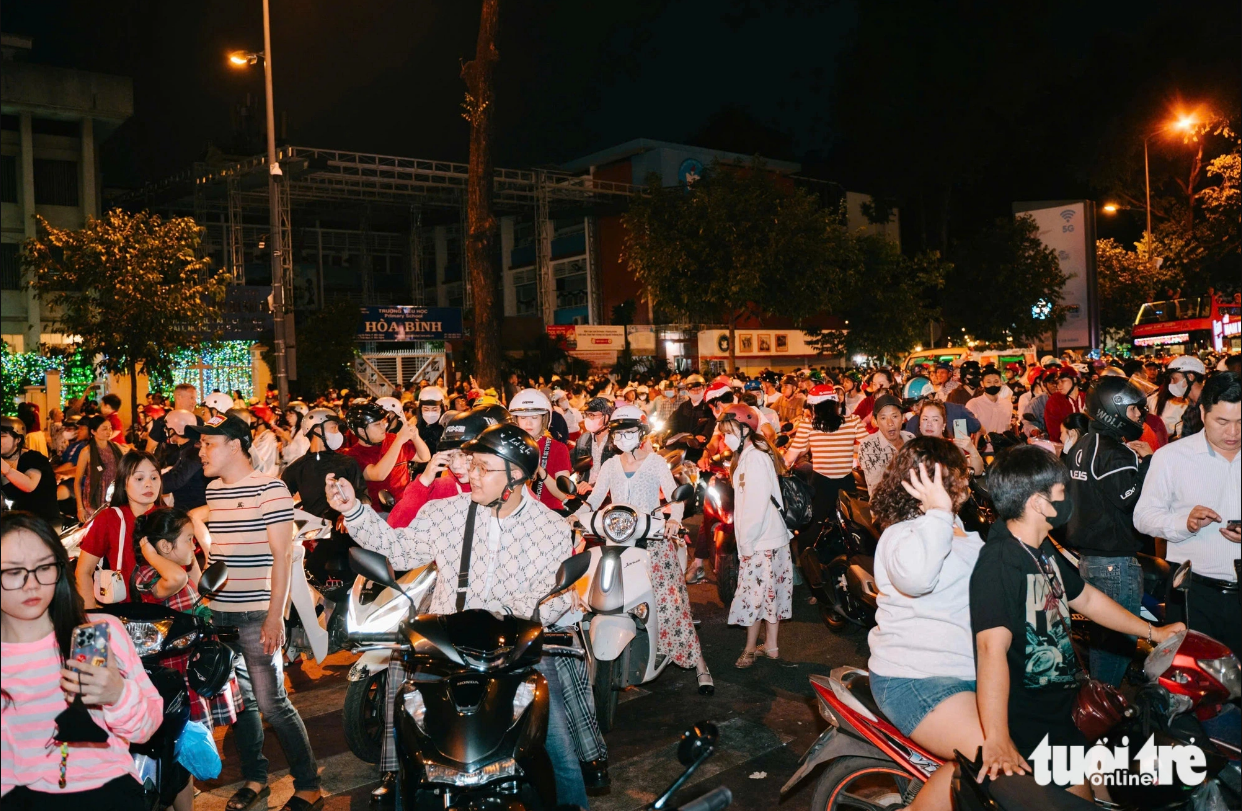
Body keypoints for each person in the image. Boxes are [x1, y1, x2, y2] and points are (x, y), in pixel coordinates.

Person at [328, 423, 590, 809]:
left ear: (515, 476)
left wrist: (518, 615)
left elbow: (551, 596)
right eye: (472, 464)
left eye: (484, 467)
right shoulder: (444, 512)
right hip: (447, 652)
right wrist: (353, 509)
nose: (471, 473)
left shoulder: (550, 528)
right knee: (412, 751)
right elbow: (396, 551)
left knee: (558, 749)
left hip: (515, 653)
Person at [970, 446, 1183, 800]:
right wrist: (997, 738)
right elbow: (990, 649)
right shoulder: (1000, 562)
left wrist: (1153, 632)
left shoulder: (1038, 547)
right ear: (1038, 503)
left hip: (1062, 707)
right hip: (1034, 720)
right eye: (1062, 492)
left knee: (1104, 791)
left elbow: (1086, 597)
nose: (1069, 499)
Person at [188, 415, 321, 811]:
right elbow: (207, 526)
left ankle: (309, 783)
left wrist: (275, 615)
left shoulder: (271, 489)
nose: (201, 450)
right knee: (240, 705)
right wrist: (209, 546)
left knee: (272, 703)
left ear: (235, 445)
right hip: (220, 616)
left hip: (256, 614)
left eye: (208, 443)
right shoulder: (214, 492)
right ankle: (256, 777)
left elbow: (281, 555)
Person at [1, 512, 163, 808]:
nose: (32, 584)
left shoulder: (95, 634)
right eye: (13, 572)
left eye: (44, 567)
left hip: (107, 791)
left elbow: (147, 728)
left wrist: (118, 694)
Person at [866, 438, 984, 811]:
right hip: (919, 679)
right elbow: (919, 578)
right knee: (993, 760)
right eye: (957, 476)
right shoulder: (902, 535)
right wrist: (938, 513)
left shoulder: (963, 531)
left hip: (976, 673)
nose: (965, 483)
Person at [574, 406, 714, 693]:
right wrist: (577, 515)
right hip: (615, 538)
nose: (624, 437)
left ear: (641, 434)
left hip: (651, 537)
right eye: (618, 433)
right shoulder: (611, 465)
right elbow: (596, 498)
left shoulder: (656, 462)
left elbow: (675, 497)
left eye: (629, 432)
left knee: (671, 602)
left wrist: (674, 520)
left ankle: (699, 664)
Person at [131, 507, 242, 811]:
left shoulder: (177, 565)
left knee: (184, 750)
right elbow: (178, 578)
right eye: (188, 540)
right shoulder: (149, 574)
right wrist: (151, 553)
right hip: (170, 673)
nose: (194, 547)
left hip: (189, 664)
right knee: (170, 750)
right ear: (164, 547)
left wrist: (175, 554)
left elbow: (192, 578)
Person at [1133, 371, 1240, 658]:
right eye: (1223, 421)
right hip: (1196, 595)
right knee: (1196, 688)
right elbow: (1143, 517)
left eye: (1241, 422)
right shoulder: (1171, 458)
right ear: (1203, 412)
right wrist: (1184, 522)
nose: (1233, 433)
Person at [1064, 376, 1152, 686]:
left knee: (1104, 643)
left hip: (1090, 560)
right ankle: (1104, 717)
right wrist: (1148, 463)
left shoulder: (1081, 444)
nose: (1140, 416)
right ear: (1111, 411)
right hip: (1115, 563)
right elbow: (1129, 499)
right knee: (1116, 647)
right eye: (1134, 410)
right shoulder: (1116, 451)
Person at [718, 405, 793, 668]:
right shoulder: (751, 455)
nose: (724, 437)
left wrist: (746, 544)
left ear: (745, 429)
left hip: (762, 541)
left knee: (755, 596)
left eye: (728, 432)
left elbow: (756, 505)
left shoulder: (755, 458)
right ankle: (771, 647)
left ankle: (750, 650)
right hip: (769, 538)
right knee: (770, 594)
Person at [74, 450, 163, 609]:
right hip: (125, 613)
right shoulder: (108, 518)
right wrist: (90, 617)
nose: (149, 484)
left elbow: (189, 570)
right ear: (123, 483)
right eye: (139, 478)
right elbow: (83, 572)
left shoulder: (171, 517)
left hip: (170, 611)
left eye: (154, 477)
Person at [783, 385, 866, 547]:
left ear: (813, 407)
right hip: (846, 483)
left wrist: (778, 470)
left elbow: (790, 456)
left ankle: (805, 565)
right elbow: (869, 446)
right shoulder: (853, 422)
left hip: (821, 484)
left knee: (812, 526)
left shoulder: (808, 425)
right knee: (851, 527)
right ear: (835, 404)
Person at [343, 402, 427, 505]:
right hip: (379, 511)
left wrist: (415, 437)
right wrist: (399, 440)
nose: (383, 426)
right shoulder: (353, 455)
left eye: (383, 421)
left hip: (406, 502)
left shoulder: (392, 439)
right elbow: (379, 474)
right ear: (360, 430)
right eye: (377, 424)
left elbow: (424, 457)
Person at [509, 389, 575, 510]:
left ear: (544, 419)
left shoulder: (558, 448)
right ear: (515, 420)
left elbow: (563, 495)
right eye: (523, 418)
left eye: (534, 417)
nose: (528, 423)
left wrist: (540, 470)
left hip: (549, 512)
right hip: (514, 512)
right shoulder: (508, 446)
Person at [2, 417, 61, 525]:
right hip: (13, 522)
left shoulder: (34, 458)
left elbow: (29, 485)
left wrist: (4, 467)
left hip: (42, 523)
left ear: (18, 439)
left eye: (2, 436)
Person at [858, 395, 915, 497]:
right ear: (875, 421)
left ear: (903, 418)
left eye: (894, 416)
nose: (890, 423)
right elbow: (878, 488)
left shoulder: (911, 439)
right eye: (883, 418)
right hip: (885, 506)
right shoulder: (869, 445)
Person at [74, 416, 124, 523]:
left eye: (110, 428)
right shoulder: (86, 451)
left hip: (114, 497)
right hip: (94, 499)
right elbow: (77, 481)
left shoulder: (116, 448)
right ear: (93, 431)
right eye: (104, 429)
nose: (108, 432)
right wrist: (80, 508)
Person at [915, 399, 984, 476]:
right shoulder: (913, 448)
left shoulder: (954, 447)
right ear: (919, 424)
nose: (929, 424)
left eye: (935, 420)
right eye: (925, 419)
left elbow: (977, 472)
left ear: (944, 425)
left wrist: (972, 450)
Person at [1148, 355, 1206, 440]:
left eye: (1174, 379)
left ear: (1190, 377)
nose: (1171, 383)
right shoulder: (1190, 408)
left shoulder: (1211, 404)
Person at [570, 397, 617, 490]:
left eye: (592, 415)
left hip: (608, 495)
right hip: (582, 493)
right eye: (587, 415)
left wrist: (593, 487)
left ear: (606, 417)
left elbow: (618, 476)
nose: (588, 419)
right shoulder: (584, 438)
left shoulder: (617, 442)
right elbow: (571, 462)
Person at [965, 366, 1014, 440]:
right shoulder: (973, 404)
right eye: (989, 382)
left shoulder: (1007, 404)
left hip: (1004, 448)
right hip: (982, 450)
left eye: (996, 382)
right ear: (982, 384)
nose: (993, 385)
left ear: (1001, 382)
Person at [1042, 366, 1084, 444]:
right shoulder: (1054, 400)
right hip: (1062, 447)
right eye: (1058, 382)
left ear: (1074, 380)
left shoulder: (1086, 398)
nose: (1059, 386)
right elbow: (1054, 432)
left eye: (1063, 381)